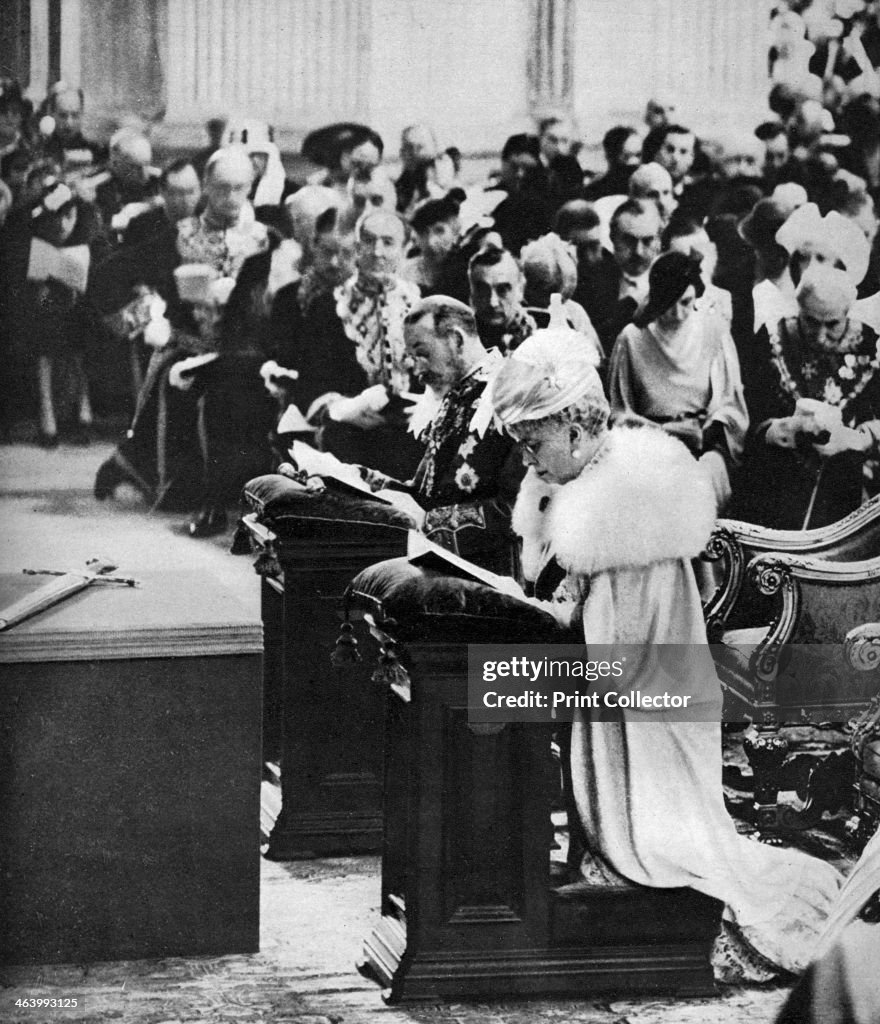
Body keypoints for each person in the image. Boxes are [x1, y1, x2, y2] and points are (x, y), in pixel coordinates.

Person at [489, 325, 842, 984]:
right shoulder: (577, 486)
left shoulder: (627, 505)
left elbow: (621, 641)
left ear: (575, 428)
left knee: (664, 838)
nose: (530, 463)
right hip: (628, 690)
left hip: (655, 702)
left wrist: (550, 622)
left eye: (535, 445)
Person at [94, 146, 269, 508]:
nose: (230, 197)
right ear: (206, 185)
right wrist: (149, 315)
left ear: (251, 186)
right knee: (181, 390)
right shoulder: (179, 236)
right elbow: (110, 274)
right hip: (188, 350)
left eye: (239, 187)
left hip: (248, 354)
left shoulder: (266, 239)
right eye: (222, 187)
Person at [297, 296, 525, 573]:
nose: (417, 369)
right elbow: (423, 494)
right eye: (412, 356)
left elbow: (514, 508)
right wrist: (354, 479)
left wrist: (428, 522)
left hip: (485, 568)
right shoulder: (453, 395)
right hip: (438, 561)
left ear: (456, 339)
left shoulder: (508, 393)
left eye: (422, 353)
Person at [734, 264, 880, 530]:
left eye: (832, 324)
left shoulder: (872, 347)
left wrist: (858, 438)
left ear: (848, 313)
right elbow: (747, 415)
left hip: (847, 485)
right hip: (775, 481)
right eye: (811, 322)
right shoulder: (769, 340)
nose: (821, 336)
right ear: (798, 309)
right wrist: (780, 428)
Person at [284, 208, 423, 479]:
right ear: (357, 247)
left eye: (388, 242)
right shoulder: (328, 307)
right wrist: (344, 410)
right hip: (352, 428)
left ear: (405, 249)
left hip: (413, 428)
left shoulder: (424, 305)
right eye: (369, 241)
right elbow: (310, 382)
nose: (377, 251)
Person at [608, 251, 747, 509]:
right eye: (668, 304)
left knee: (702, 481)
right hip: (648, 447)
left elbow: (730, 405)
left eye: (686, 302)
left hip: (702, 445)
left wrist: (705, 435)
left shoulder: (713, 330)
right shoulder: (632, 338)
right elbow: (619, 413)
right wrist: (661, 433)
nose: (679, 314)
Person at [467, 245, 536, 353]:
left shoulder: (542, 338)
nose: (492, 302)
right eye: (483, 291)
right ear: (472, 293)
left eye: (502, 290)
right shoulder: (464, 342)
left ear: (520, 289)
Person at [402, 190, 463, 294]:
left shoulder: (464, 273)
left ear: (455, 233)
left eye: (440, 231)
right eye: (423, 232)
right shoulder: (406, 272)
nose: (431, 241)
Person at [583, 125, 641, 201]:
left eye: (638, 155)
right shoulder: (594, 192)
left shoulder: (649, 190)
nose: (634, 162)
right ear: (610, 156)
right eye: (626, 156)